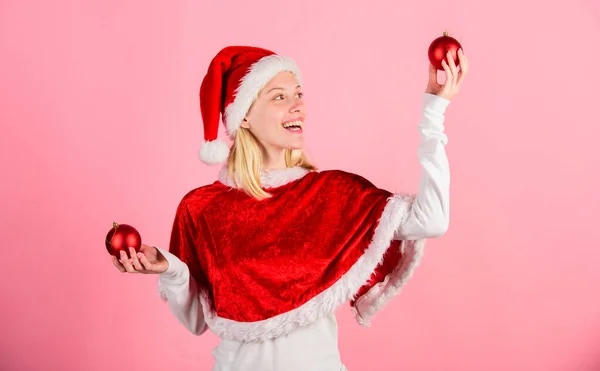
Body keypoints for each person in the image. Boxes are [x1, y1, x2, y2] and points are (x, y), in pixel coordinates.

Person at [111, 45, 469, 371]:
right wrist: (169, 269)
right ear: (244, 117)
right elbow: (196, 322)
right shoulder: (201, 208)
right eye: (279, 97)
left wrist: (433, 115)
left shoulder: (331, 193)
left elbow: (432, 220)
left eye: (298, 94)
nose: (297, 105)